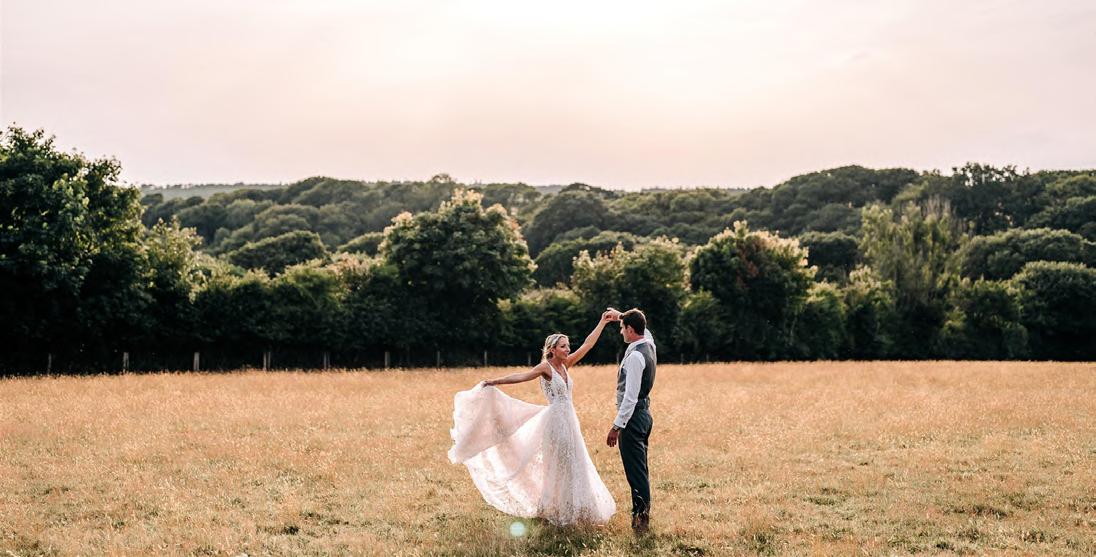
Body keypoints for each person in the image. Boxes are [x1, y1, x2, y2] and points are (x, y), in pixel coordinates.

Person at [448, 311, 617, 526]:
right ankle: (554, 507)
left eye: (568, 346)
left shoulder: (566, 364)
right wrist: (495, 382)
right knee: (560, 464)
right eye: (563, 346)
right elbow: (522, 376)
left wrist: (602, 322)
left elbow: (588, 345)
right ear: (552, 350)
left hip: (570, 420)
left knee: (575, 462)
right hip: (555, 422)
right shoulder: (546, 367)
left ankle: (578, 507)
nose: (568, 349)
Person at [604, 307, 656, 534]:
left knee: (636, 473)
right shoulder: (648, 344)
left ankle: (641, 520)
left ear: (631, 330)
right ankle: (641, 516)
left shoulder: (635, 356)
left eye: (623, 328)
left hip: (633, 418)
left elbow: (630, 397)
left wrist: (616, 426)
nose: (621, 332)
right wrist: (621, 316)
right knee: (640, 470)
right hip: (644, 415)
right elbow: (646, 329)